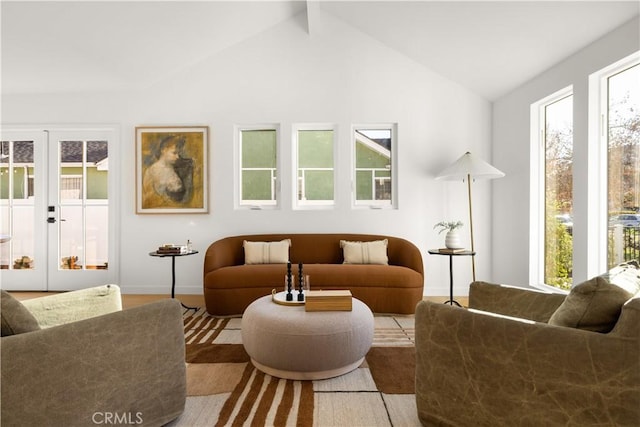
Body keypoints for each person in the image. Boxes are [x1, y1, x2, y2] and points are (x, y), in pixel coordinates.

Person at [142, 135, 192, 208]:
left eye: (178, 153)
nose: (178, 157)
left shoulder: (176, 169)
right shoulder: (152, 171)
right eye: (174, 153)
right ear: (163, 150)